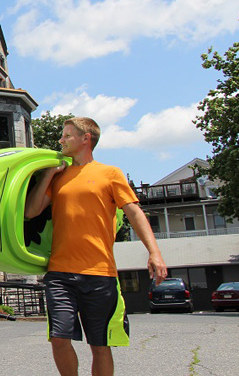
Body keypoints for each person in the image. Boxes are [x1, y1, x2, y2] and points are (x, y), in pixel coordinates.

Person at [25, 117, 167, 376]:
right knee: (59, 338)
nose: (61, 140)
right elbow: (31, 211)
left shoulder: (110, 174)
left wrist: (154, 252)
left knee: (100, 345)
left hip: (100, 273)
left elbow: (134, 213)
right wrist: (47, 175)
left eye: (67, 135)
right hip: (60, 274)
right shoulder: (58, 177)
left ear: (85, 139)